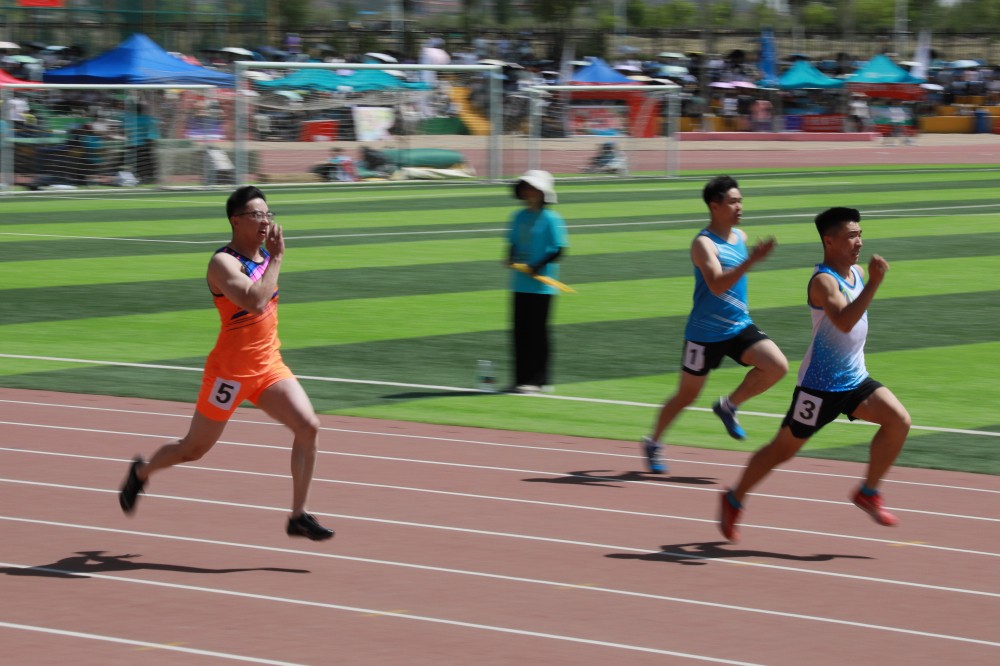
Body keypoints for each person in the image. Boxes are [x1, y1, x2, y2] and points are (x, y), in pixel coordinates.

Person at [119, 186, 334, 541]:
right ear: (236, 221)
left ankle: (298, 515)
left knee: (309, 426)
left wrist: (272, 259)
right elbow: (254, 302)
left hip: (268, 366)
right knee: (193, 449)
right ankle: (141, 473)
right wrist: (277, 259)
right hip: (229, 374)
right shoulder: (223, 263)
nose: (265, 221)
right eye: (256, 215)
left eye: (268, 214)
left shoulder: (264, 256)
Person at [719, 207, 910, 543]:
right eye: (851, 236)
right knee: (782, 450)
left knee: (899, 421)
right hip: (819, 389)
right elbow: (844, 322)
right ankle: (734, 499)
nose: (859, 242)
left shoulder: (856, 273)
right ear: (829, 241)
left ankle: (868, 492)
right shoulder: (823, 281)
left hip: (855, 380)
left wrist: (867, 281)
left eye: (860, 234)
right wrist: (875, 283)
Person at [640, 175, 787, 474]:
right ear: (714, 206)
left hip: (739, 325)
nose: (739, 206)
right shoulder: (703, 244)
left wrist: (750, 259)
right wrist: (751, 261)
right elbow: (717, 285)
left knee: (777, 366)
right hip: (704, 335)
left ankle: (729, 405)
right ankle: (653, 441)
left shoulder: (740, 236)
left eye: (740, 201)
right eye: (732, 202)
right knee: (686, 395)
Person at [505, 170, 569, 394]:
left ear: (543, 193)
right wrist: (511, 258)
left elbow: (559, 249)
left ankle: (539, 380)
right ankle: (520, 379)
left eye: (532, 188)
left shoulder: (552, 218)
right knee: (519, 333)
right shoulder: (518, 216)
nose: (527, 192)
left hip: (541, 286)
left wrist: (537, 266)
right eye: (525, 187)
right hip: (519, 283)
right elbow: (513, 243)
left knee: (537, 333)